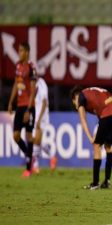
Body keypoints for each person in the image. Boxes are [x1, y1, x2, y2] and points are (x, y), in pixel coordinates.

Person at [71, 86, 112, 190]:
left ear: (75, 97)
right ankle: (107, 181)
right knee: (108, 146)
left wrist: (90, 137)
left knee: (96, 145)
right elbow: (101, 115)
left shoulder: (81, 96)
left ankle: (95, 183)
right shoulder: (93, 93)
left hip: (107, 113)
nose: (76, 106)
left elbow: (82, 119)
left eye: (74, 103)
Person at [8, 42, 36, 178]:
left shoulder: (31, 67)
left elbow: (33, 90)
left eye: (21, 51)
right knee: (16, 136)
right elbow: (16, 84)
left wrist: (29, 110)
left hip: (28, 106)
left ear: (27, 52)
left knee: (29, 136)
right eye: (18, 51)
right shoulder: (18, 66)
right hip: (19, 106)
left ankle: (28, 168)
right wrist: (10, 101)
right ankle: (30, 156)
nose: (19, 53)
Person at [32, 75, 57, 174]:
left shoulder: (41, 84)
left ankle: (35, 165)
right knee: (36, 141)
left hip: (41, 116)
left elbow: (44, 102)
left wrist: (39, 119)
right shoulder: (34, 84)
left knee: (37, 140)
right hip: (36, 115)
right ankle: (52, 156)